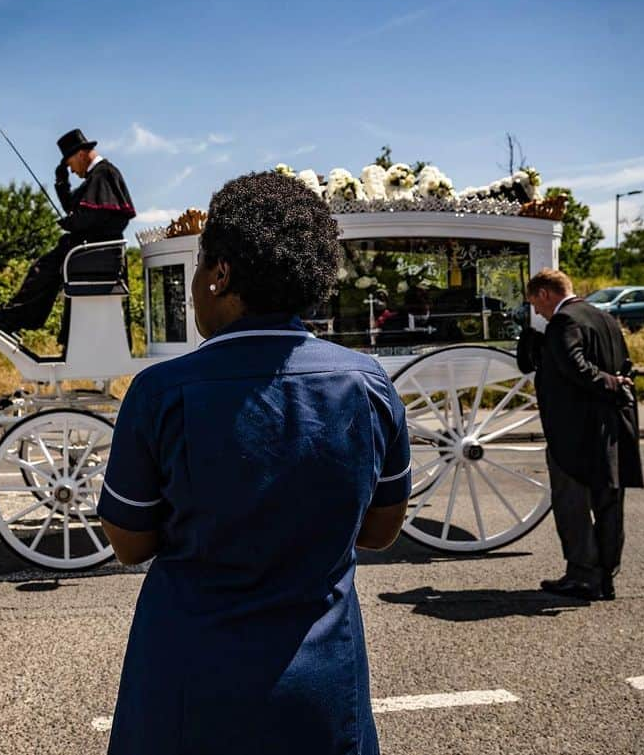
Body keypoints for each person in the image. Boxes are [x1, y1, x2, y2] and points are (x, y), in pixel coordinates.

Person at [98, 171, 412, 755]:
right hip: (322, 682)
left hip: (189, 680)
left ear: (220, 275)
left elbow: (130, 543)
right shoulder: (368, 385)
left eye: (197, 267)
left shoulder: (159, 392)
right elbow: (380, 530)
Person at [516, 268, 644, 601]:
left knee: (571, 503)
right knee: (609, 502)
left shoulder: (565, 322)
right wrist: (617, 382)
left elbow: (575, 366)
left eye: (536, 304)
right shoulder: (605, 318)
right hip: (612, 426)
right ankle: (606, 574)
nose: (539, 313)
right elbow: (625, 364)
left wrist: (608, 382)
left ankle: (583, 575)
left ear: (545, 293)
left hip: (576, 430)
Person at [0, 128, 135, 333]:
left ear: (80, 154)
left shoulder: (104, 173)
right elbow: (76, 209)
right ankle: (15, 318)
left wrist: (73, 224)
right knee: (45, 268)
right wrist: (62, 182)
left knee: (42, 269)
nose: (71, 170)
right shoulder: (96, 177)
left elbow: (106, 218)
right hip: (88, 251)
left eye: (69, 164)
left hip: (95, 253)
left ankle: (12, 319)